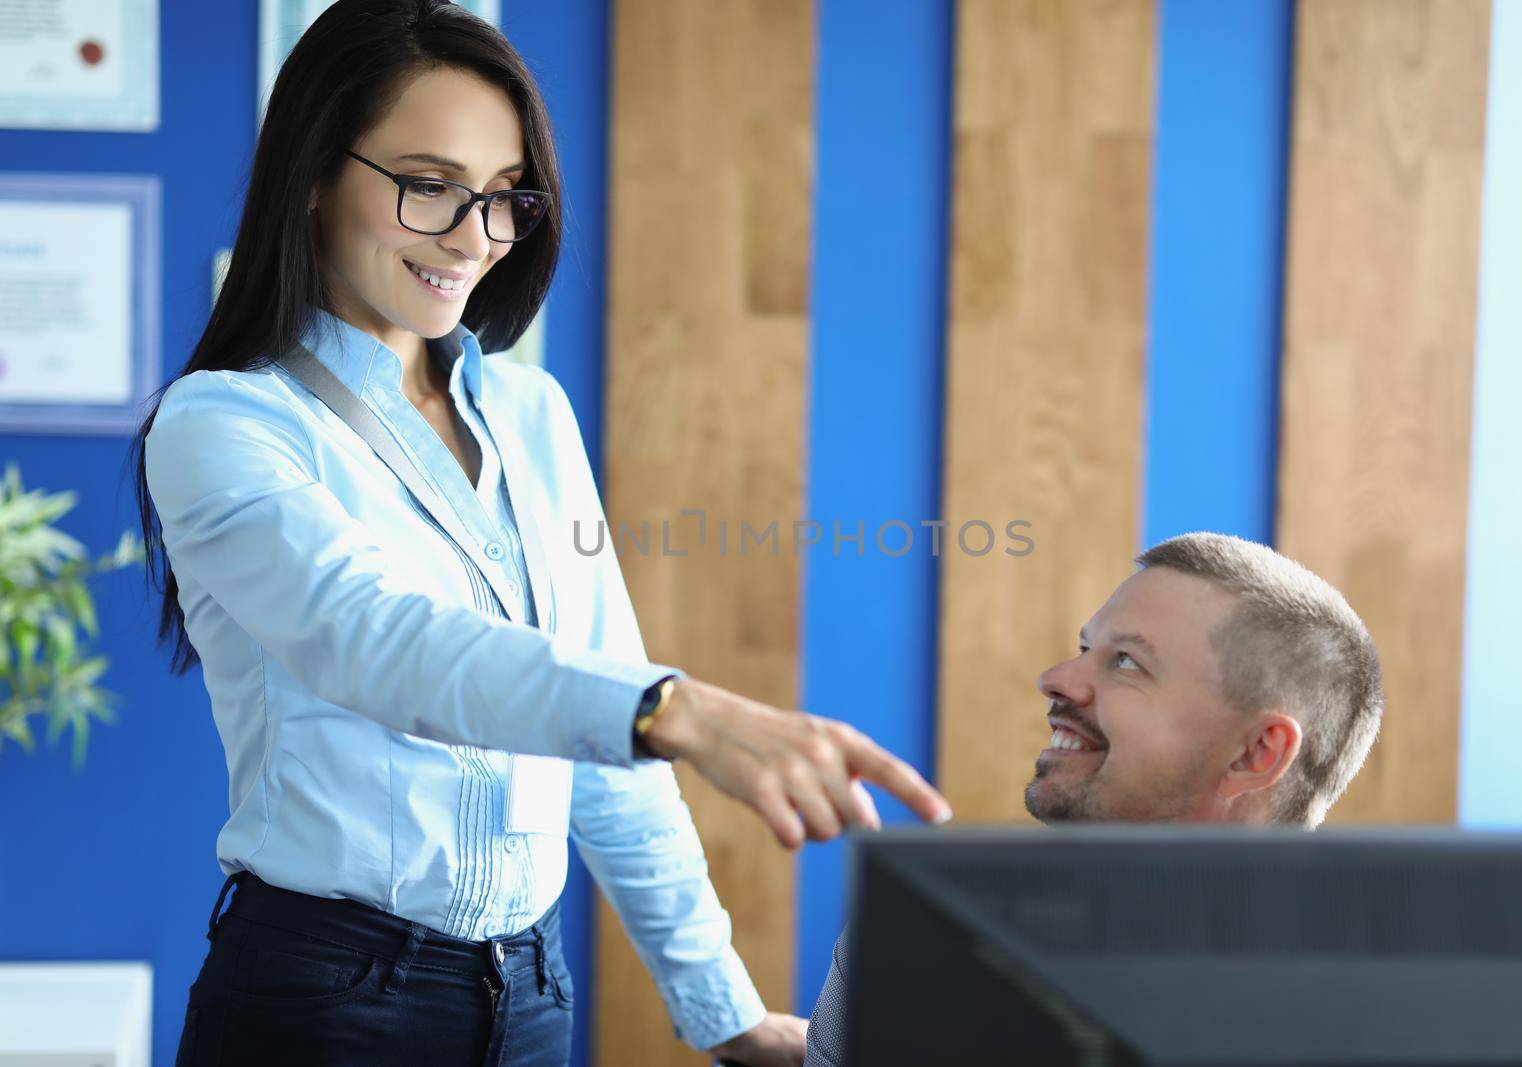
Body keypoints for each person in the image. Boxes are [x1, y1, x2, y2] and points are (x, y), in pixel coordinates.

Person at [131, 3, 949, 1065]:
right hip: (323, 998)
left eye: (504, 196)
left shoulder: (531, 414)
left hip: (526, 997)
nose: (474, 236)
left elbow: (599, 735)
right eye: (427, 184)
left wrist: (724, 1010)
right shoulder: (225, 423)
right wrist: (673, 707)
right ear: (316, 173)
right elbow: (380, 641)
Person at [802, 531, 1384, 1066]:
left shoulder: (1373, 1004)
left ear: (1256, 753)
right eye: (1084, 648)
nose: (1056, 678)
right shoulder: (924, 942)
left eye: (1126, 662)